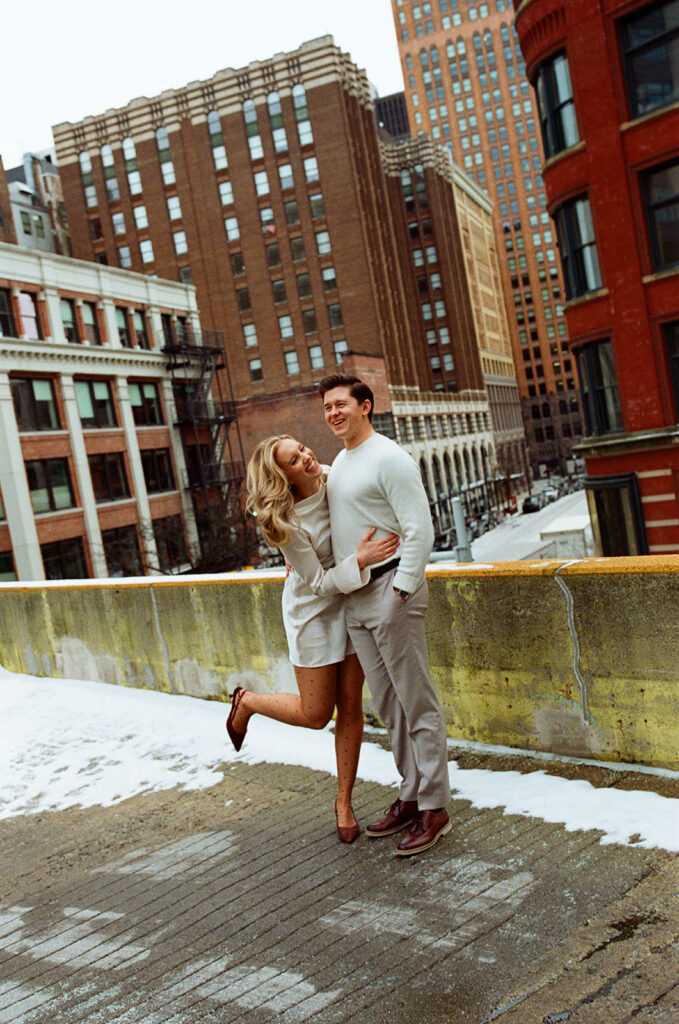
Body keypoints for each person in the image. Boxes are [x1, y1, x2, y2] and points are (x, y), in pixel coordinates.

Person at [227, 434, 399, 843]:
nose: (307, 456)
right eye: (294, 458)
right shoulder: (285, 523)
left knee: (352, 707)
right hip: (314, 612)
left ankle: (344, 801)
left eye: (303, 448)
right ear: (281, 476)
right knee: (317, 713)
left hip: (352, 600)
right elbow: (320, 582)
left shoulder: (333, 476)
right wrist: (358, 561)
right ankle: (246, 702)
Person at [318, 373, 452, 857]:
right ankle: (411, 794)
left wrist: (400, 589)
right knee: (390, 707)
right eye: (328, 407)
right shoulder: (341, 461)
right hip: (357, 597)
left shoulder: (390, 458)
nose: (334, 413)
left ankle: (436, 807)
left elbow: (420, 529)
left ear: (366, 406)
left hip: (391, 592)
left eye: (342, 405)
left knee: (417, 703)